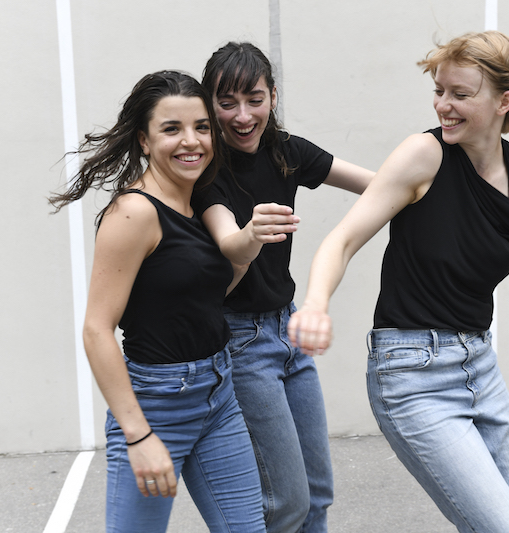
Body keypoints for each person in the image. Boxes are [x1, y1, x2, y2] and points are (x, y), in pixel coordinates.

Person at [287, 31, 509, 532]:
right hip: (414, 374)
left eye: (460, 94)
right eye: (439, 90)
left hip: (481, 368)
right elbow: (340, 240)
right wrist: (315, 304)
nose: (443, 105)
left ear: (503, 102)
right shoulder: (423, 155)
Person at [49, 70, 266, 533]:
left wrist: (246, 254)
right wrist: (139, 434)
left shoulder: (198, 203)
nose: (192, 141)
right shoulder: (134, 213)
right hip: (157, 404)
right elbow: (96, 329)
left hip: (218, 394)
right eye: (172, 129)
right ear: (144, 141)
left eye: (202, 127)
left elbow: (193, 298)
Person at [192, 42, 374, 533]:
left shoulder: (286, 152)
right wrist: (250, 235)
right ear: (210, 105)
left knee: (317, 496)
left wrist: (450, 185)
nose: (243, 115)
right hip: (244, 343)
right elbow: (227, 239)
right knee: (285, 504)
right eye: (226, 102)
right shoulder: (210, 171)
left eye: (254, 98)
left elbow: (379, 186)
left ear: (273, 95)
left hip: (289, 331)